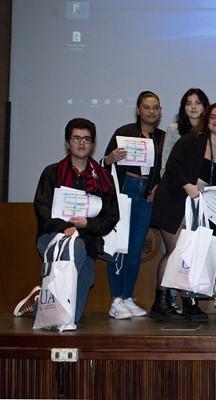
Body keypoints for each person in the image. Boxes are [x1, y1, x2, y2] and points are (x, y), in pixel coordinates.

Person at [150, 103, 216, 322]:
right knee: (176, 251)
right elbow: (173, 165)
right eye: (213, 117)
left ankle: (189, 302)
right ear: (206, 120)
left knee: (191, 254)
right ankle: (160, 303)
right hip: (174, 202)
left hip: (198, 209)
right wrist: (187, 186)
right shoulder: (193, 140)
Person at [32, 118, 119, 329]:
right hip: (52, 237)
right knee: (75, 248)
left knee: (75, 315)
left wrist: (86, 224)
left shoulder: (103, 178)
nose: (82, 143)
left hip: (87, 239)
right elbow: (42, 209)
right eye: (76, 138)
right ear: (67, 143)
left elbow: (111, 217)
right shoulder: (52, 173)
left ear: (93, 144)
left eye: (87, 139)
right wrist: (65, 227)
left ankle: (38, 303)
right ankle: (55, 316)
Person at [103, 91, 165, 320]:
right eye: (147, 107)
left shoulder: (163, 137)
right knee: (119, 247)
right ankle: (116, 299)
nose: (152, 111)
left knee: (135, 248)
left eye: (156, 107)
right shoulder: (123, 132)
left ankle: (127, 297)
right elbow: (104, 163)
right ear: (138, 110)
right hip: (125, 192)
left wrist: (159, 186)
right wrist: (109, 160)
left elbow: (167, 169)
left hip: (146, 197)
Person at [161, 88, 210, 176]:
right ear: (183, 108)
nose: (193, 107)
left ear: (205, 106)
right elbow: (166, 162)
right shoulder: (173, 129)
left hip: (202, 180)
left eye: (198, 103)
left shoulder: (211, 131)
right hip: (176, 180)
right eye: (188, 103)